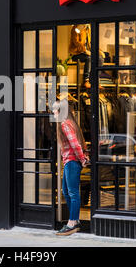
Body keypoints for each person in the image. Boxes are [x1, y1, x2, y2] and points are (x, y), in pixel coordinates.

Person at [52, 100, 90, 236]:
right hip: (70, 162)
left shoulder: (65, 125)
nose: (53, 113)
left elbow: (75, 144)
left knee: (72, 193)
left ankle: (72, 222)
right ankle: (75, 219)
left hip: (73, 162)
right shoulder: (69, 123)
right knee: (66, 191)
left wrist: (82, 159)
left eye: (55, 110)